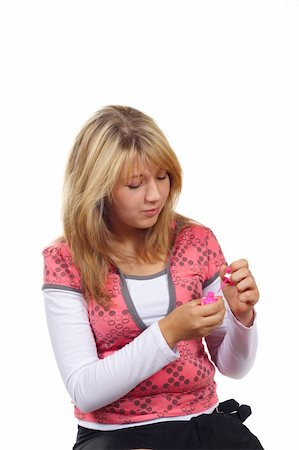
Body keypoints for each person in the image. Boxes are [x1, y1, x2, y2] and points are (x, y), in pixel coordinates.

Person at [42, 105, 264, 450]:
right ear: (98, 187)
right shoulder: (65, 261)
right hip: (114, 437)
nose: (155, 195)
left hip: (203, 425)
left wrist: (242, 318)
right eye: (135, 184)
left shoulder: (197, 241)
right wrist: (170, 331)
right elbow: (84, 391)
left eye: (162, 177)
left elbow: (233, 368)